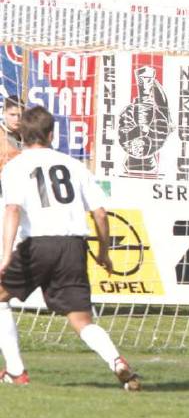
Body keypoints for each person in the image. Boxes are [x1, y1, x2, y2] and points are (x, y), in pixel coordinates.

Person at [0, 106, 140, 390]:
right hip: (74, 245)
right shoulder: (75, 165)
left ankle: (16, 371)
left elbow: (12, 209)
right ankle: (117, 361)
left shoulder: (15, 166)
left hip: (38, 244)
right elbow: (100, 214)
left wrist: (5, 256)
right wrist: (103, 253)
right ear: (51, 134)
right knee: (81, 319)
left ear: (22, 135)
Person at [0, 95, 24, 384]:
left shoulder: (31, 143)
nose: (16, 119)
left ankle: (15, 368)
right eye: (12, 113)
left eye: (21, 114)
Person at [0, 95, 22, 171]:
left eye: (19, 115)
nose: (17, 119)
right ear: (3, 113)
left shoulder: (27, 135)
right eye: (12, 115)